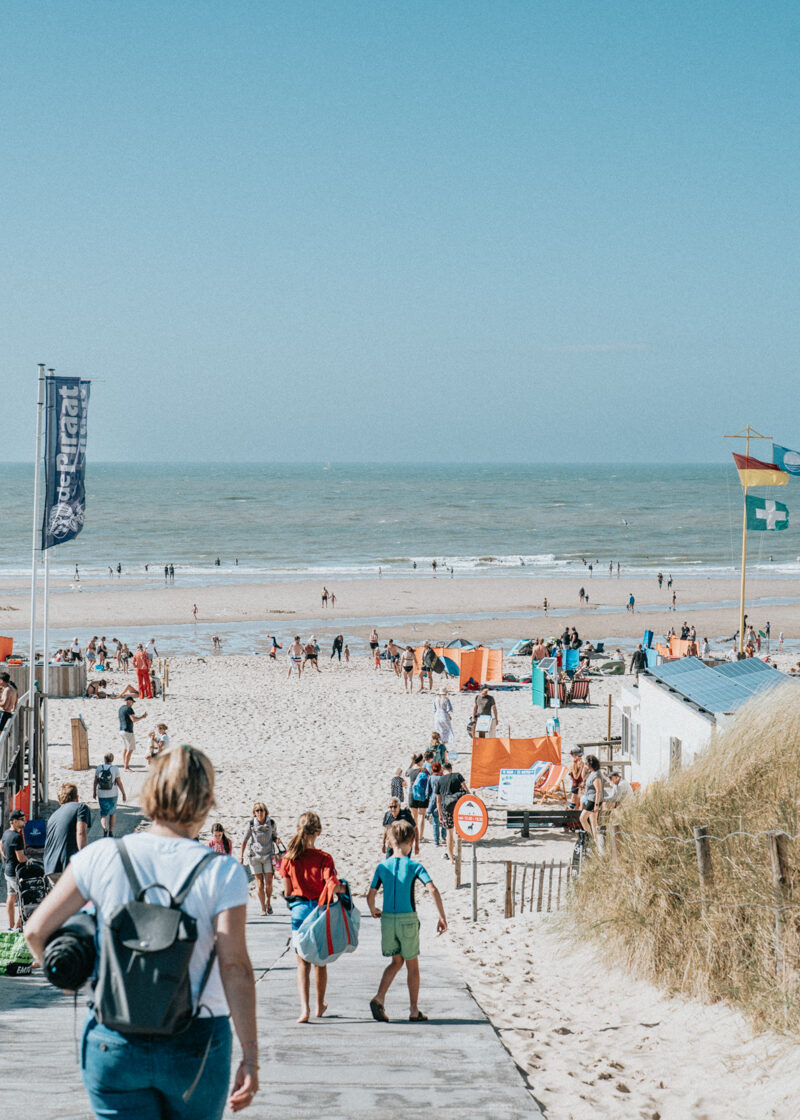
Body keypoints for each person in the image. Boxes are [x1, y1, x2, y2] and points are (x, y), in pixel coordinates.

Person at [26, 746, 258, 1117]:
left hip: (112, 1038)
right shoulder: (221, 871)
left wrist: (73, 981)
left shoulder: (102, 856)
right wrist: (250, 1053)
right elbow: (235, 967)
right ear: (207, 800)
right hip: (194, 1040)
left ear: (150, 792)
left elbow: (36, 931)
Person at [367, 820, 448, 1023]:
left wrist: (374, 910)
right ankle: (413, 1009)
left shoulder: (382, 867)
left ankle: (379, 997)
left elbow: (370, 895)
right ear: (412, 841)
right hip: (407, 920)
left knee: (396, 961)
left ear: (389, 843)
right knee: (412, 965)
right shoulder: (414, 866)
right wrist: (442, 917)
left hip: (387, 920)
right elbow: (432, 889)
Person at [281, 811, 342, 1023]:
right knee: (320, 962)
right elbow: (331, 884)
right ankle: (319, 1006)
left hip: (299, 912)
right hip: (319, 912)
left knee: (302, 964)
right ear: (319, 832)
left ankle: (304, 1010)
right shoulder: (325, 858)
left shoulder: (288, 859)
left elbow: (288, 893)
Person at [43, 782, 91, 887]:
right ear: (77, 797)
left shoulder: (53, 816)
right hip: (68, 865)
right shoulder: (81, 807)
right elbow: (81, 832)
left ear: (60, 801)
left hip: (50, 867)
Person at [240, 802, 281, 916]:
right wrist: (241, 856)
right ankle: (263, 908)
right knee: (259, 883)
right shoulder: (251, 824)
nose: (259, 813)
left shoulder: (271, 823)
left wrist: (276, 839)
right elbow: (244, 840)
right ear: (254, 813)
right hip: (255, 856)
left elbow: (274, 835)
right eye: (257, 811)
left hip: (269, 855)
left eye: (261, 810)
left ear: (265, 811)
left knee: (269, 883)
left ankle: (268, 902)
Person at [436, 763, 470, 863]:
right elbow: (465, 789)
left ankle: (451, 858)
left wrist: (440, 814)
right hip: (459, 807)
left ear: (443, 770)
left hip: (446, 808)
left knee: (449, 833)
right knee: (458, 831)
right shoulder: (457, 775)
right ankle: (458, 854)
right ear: (451, 769)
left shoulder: (440, 780)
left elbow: (438, 800)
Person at [1, 809, 27, 930]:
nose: (24, 821)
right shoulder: (17, 837)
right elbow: (21, 858)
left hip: (8, 871)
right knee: (25, 899)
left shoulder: (6, 833)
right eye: (22, 820)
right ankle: (18, 926)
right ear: (15, 821)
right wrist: (29, 860)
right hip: (16, 873)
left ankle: (11, 926)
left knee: (11, 897)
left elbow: (1, 844)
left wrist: (5, 857)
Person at [92, 751, 127, 837]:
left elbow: (95, 781)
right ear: (112, 759)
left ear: (104, 759)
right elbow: (119, 782)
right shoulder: (115, 769)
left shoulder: (99, 768)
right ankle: (111, 831)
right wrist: (123, 793)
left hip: (101, 794)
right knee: (112, 813)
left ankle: (105, 828)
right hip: (113, 794)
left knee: (103, 814)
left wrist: (94, 792)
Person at [579, 755, 605, 842]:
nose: (585, 764)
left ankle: (590, 838)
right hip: (591, 799)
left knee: (582, 818)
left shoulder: (596, 775)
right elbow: (583, 776)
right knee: (593, 822)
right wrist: (584, 766)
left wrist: (597, 805)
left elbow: (598, 791)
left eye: (586, 763)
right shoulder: (592, 773)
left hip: (594, 801)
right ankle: (595, 840)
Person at [119, 695, 148, 771]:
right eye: (132, 702)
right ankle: (126, 767)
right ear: (128, 701)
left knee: (125, 749)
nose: (132, 704)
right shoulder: (129, 709)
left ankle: (125, 764)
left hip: (121, 730)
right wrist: (142, 717)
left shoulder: (121, 708)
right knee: (130, 749)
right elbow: (133, 719)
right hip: (128, 731)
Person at [426, 761, 444, 847]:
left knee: (435, 822)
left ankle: (436, 841)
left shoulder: (430, 778)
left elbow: (427, 791)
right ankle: (444, 837)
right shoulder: (442, 778)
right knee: (444, 820)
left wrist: (430, 798)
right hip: (442, 801)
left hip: (433, 801)